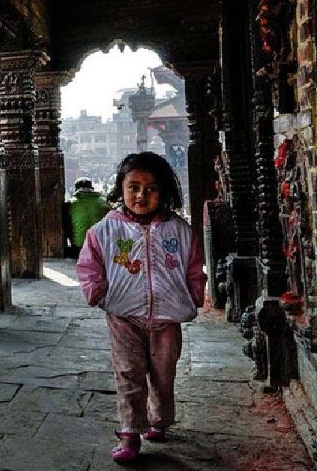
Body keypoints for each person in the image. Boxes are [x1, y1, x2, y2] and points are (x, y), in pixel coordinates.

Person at [76, 152, 207, 463]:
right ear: (120, 189)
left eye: (151, 189)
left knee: (163, 373)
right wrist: (97, 293)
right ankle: (130, 432)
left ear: (164, 192)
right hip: (124, 315)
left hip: (167, 317)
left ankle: (158, 420)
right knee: (129, 373)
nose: (141, 195)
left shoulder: (179, 230)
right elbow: (89, 265)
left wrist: (194, 294)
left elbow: (194, 266)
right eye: (133, 187)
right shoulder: (105, 231)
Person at [67, 177, 111, 258]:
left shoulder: (71, 204)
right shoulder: (103, 202)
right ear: (92, 188)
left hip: (78, 247)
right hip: (100, 246)